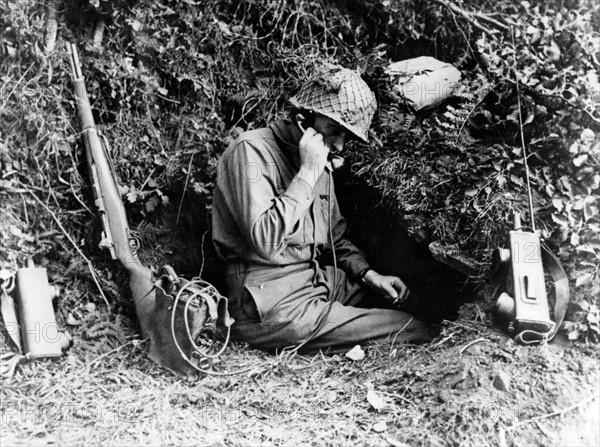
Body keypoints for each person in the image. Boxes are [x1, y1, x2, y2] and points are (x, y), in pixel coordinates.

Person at [211, 66, 432, 352]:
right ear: (302, 119)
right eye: (334, 130)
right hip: (268, 301)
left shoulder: (318, 163)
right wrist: (307, 173)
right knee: (410, 327)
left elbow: (334, 239)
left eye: (346, 137)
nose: (339, 145)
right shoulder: (251, 152)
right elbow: (265, 240)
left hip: (316, 281)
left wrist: (368, 275)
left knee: (422, 302)